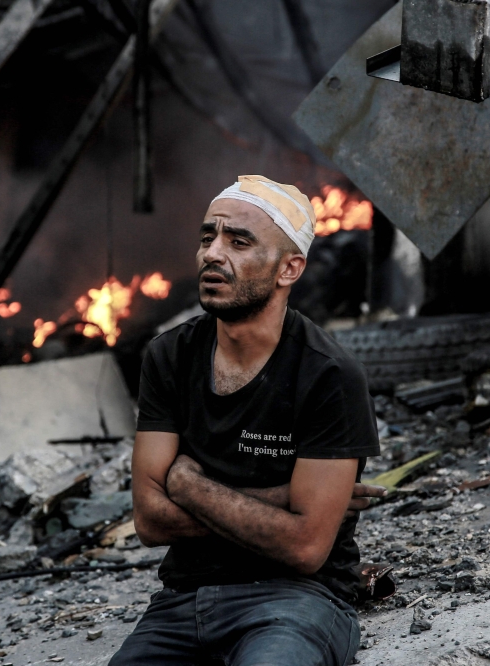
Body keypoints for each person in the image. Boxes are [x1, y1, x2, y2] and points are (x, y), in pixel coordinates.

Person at [109, 176, 384, 666]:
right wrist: (282, 500)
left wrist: (187, 485)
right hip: (180, 602)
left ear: (289, 269)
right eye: (206, 237)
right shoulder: (169, 356)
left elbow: (304, 547)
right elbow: (150, 520)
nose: (212, 254)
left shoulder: (330, 374)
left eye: (238, 241)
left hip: (298, 600)